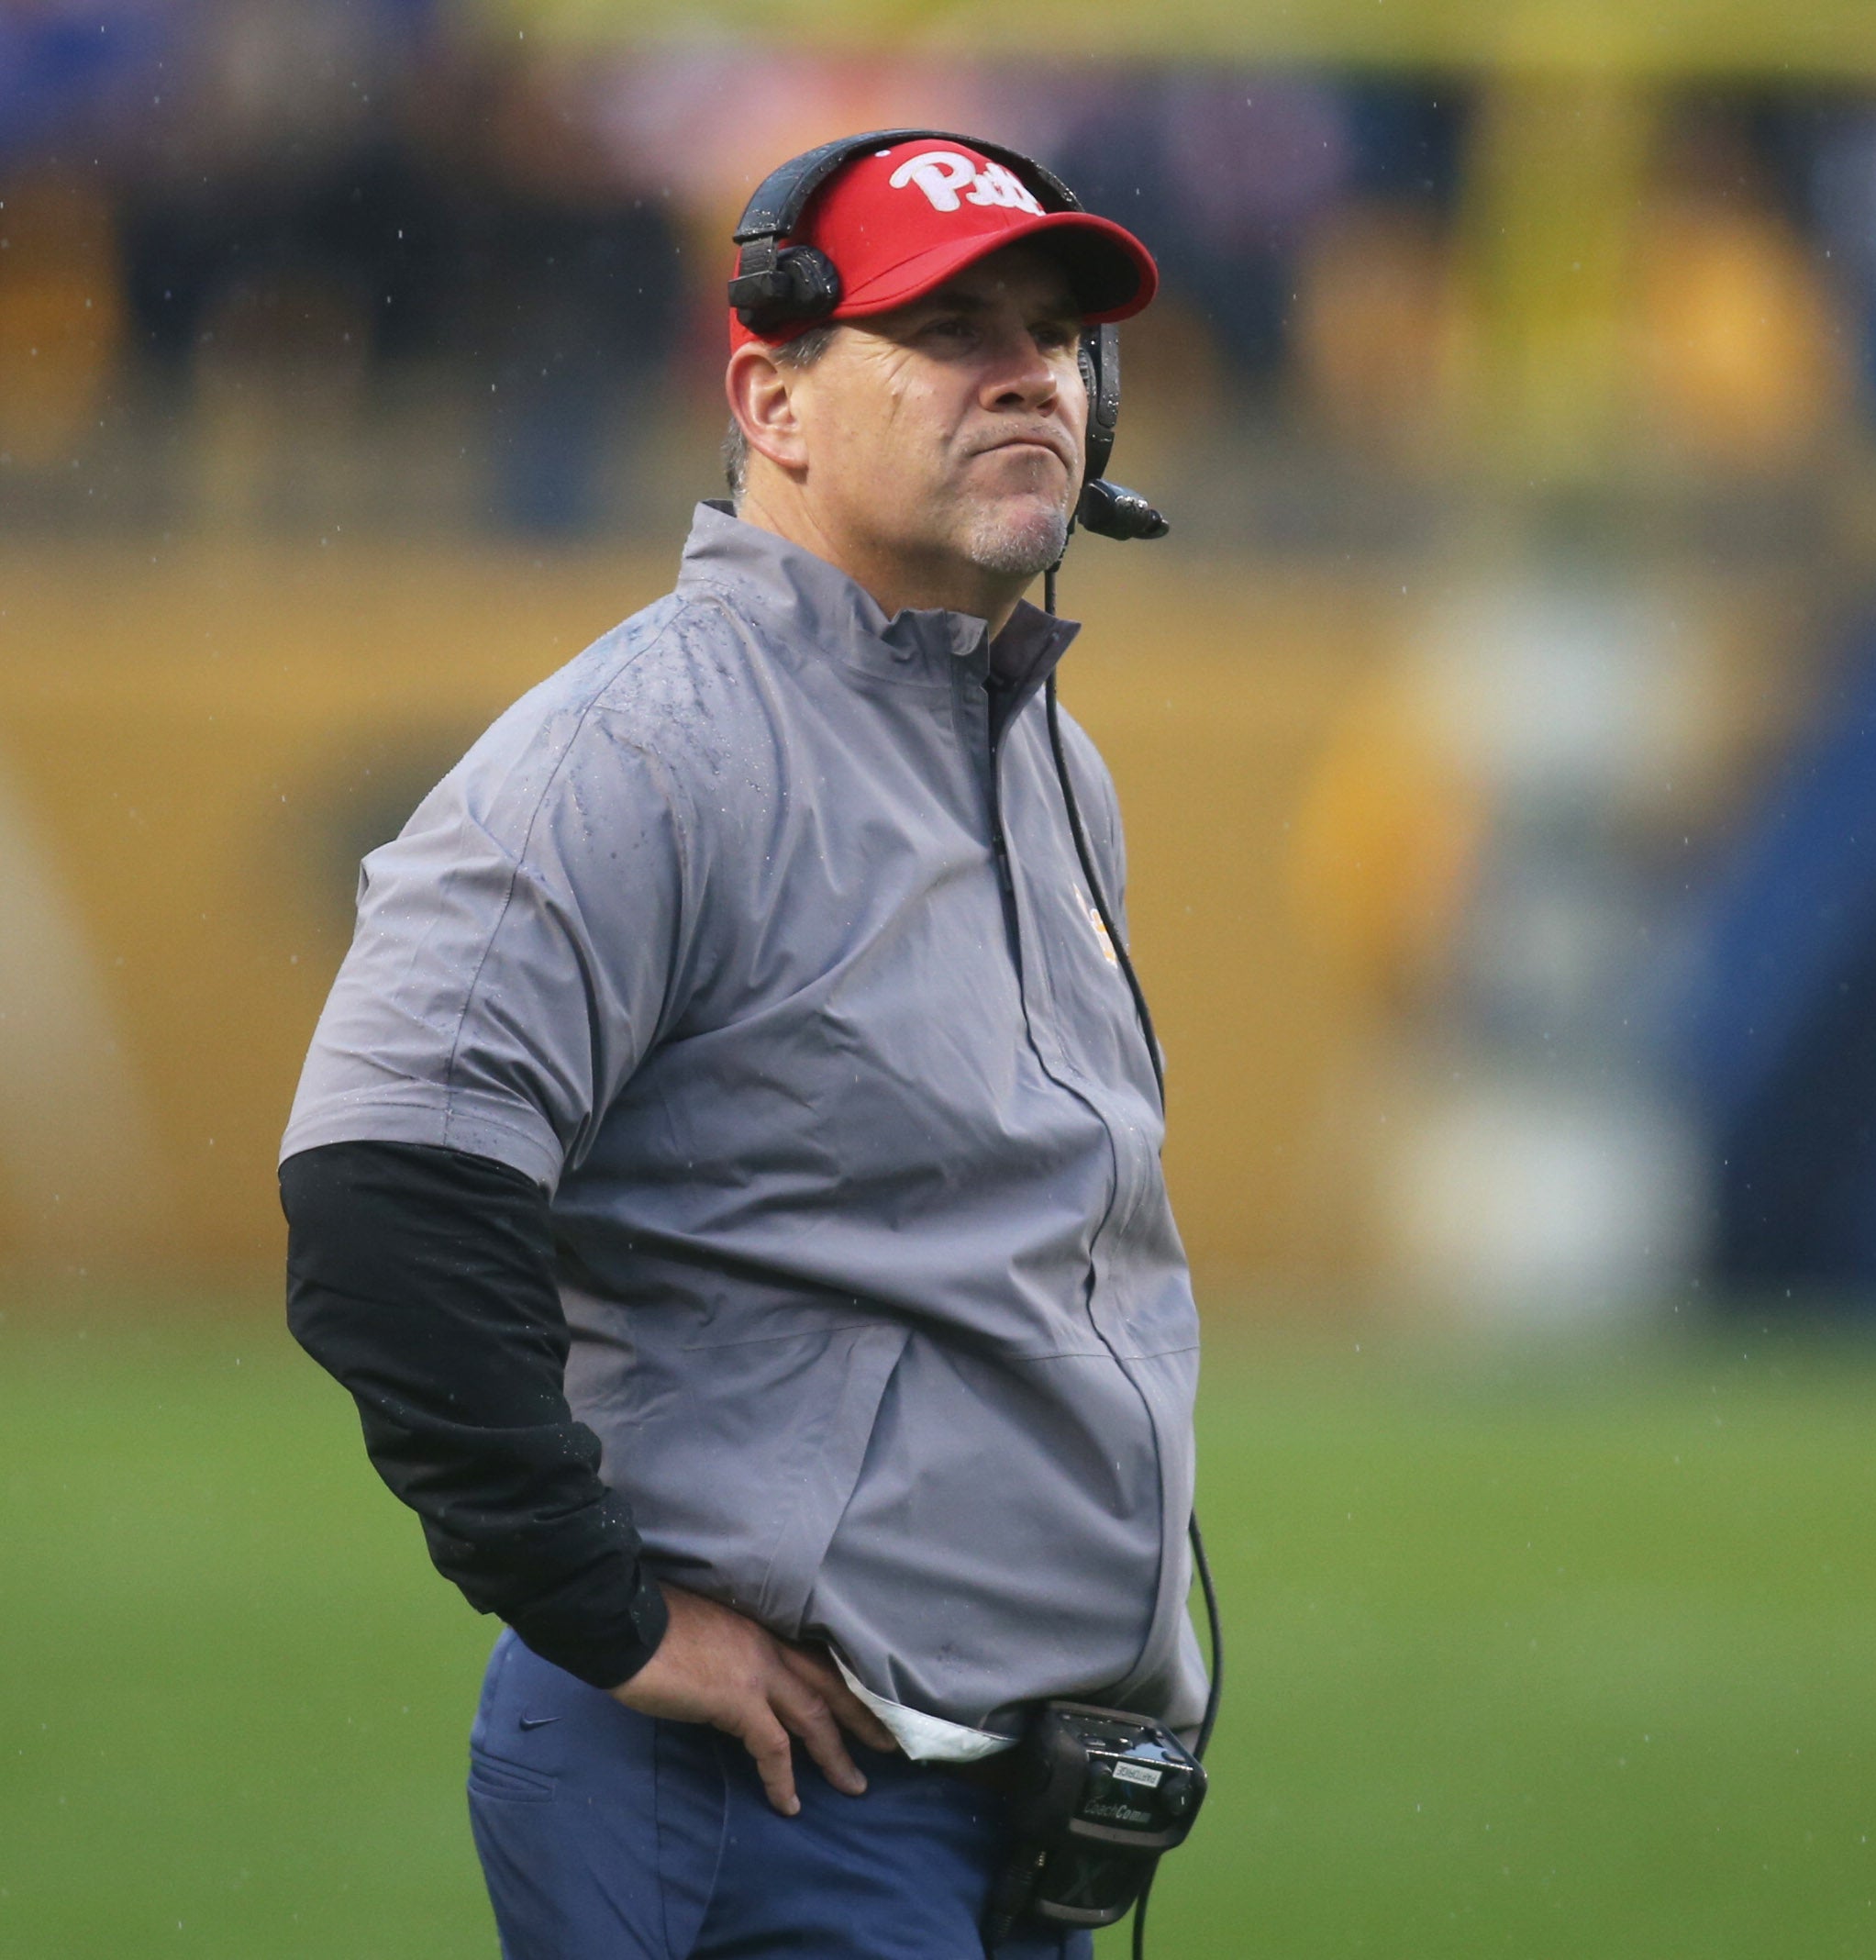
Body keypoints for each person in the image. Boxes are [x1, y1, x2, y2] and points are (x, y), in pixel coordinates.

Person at [277, 134, 1202, 1960]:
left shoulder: (1042, 755)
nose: (1032, 371)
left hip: (998, 1806)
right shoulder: (642, 747)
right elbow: (384, 1198)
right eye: (947, 329)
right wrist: (604, 1610)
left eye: (1055, 334)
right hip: (759, 1799)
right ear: (772, 399)